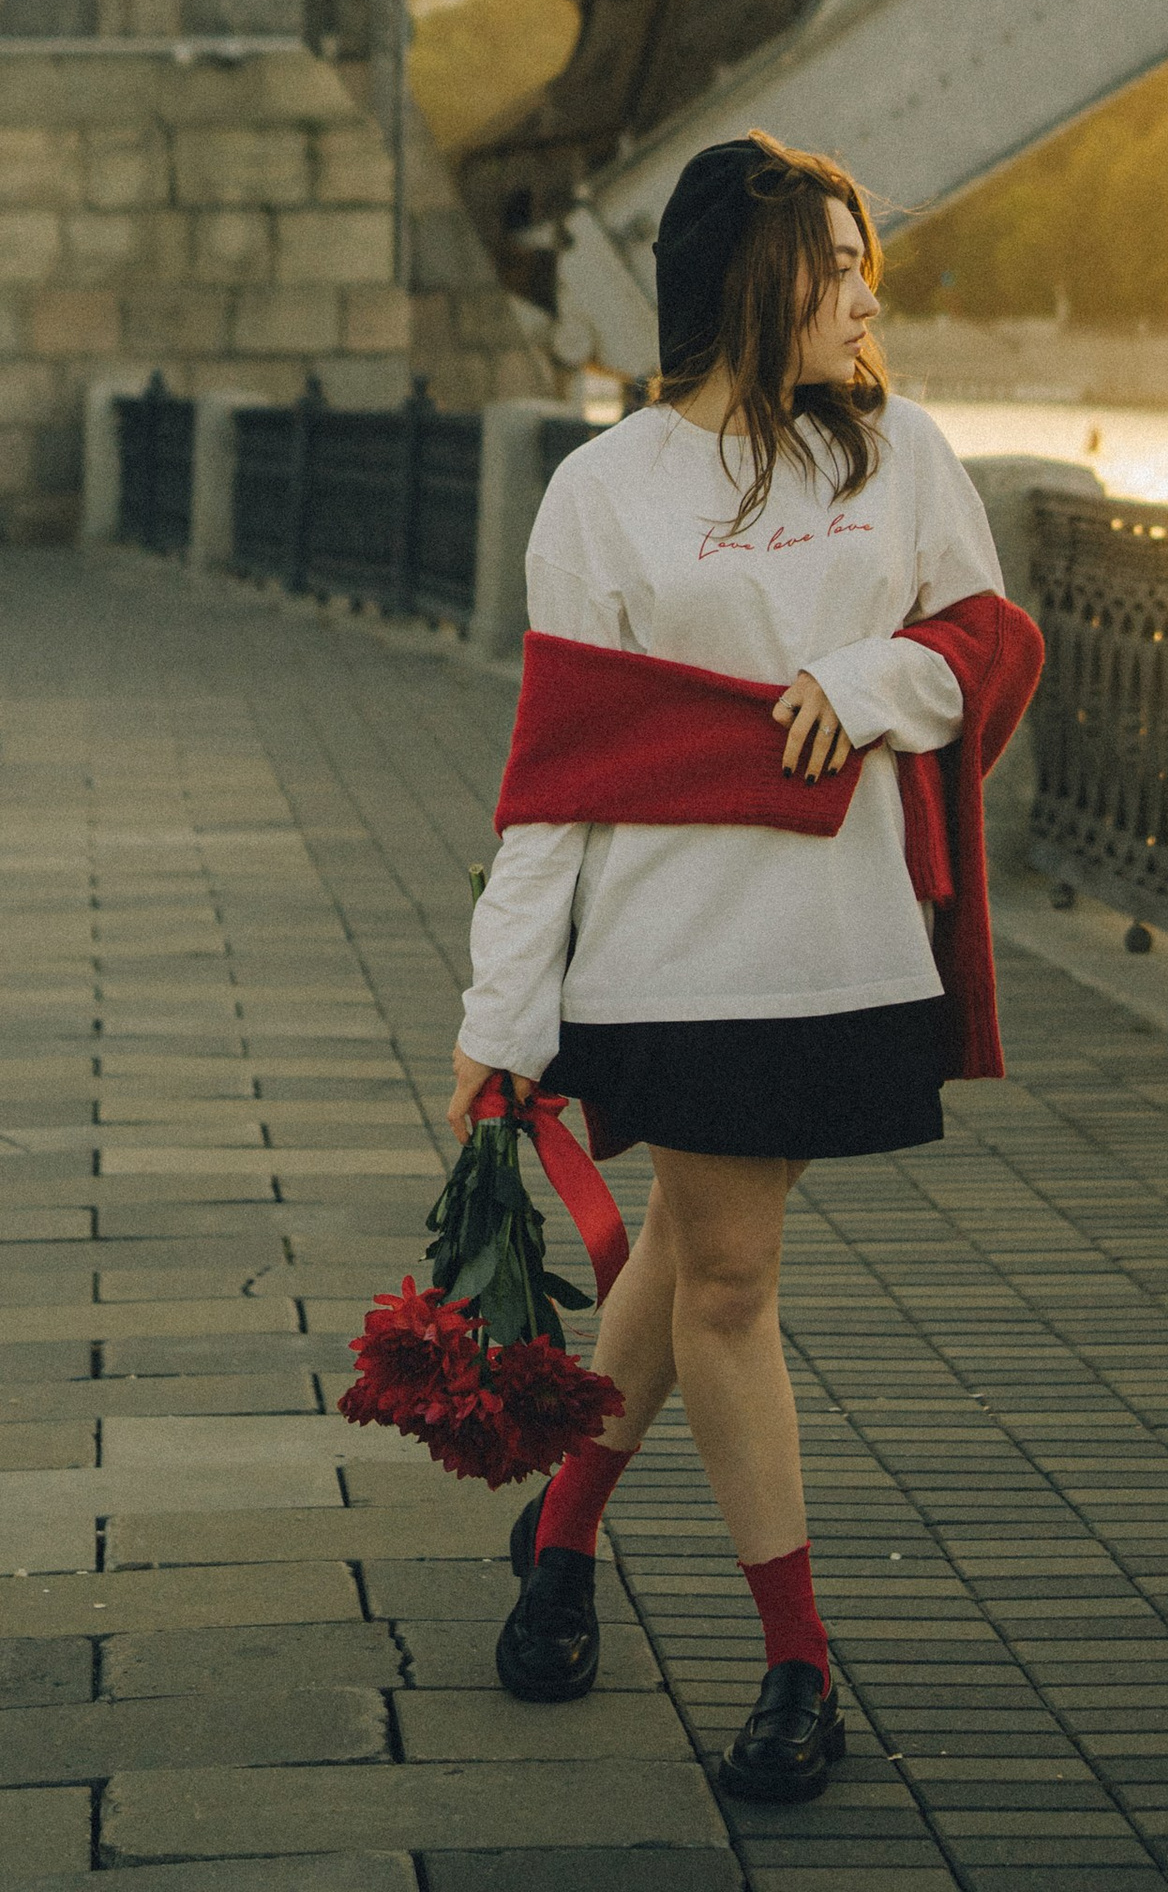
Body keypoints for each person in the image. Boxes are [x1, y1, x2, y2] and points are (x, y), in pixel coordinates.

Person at [447, 130, 1038, 1807]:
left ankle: (560, 1549)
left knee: (707, 1255)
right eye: (833, 266)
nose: (863, 295)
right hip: (666, 957)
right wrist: (501, 1024)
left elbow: (986, 642)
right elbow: (555, 778)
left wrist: (868, 682)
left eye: (866, 263)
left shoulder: (897, 454)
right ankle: (797, 1665)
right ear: (744, 283)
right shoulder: (601, 490)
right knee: (728, 1283)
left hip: (838, 948)